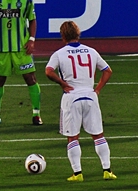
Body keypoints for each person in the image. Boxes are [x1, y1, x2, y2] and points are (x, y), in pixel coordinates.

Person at [45, 21, 116, 182]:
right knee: (98, 135)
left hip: (71, 97)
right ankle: (107, 170)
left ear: (63, 36)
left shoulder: (59, 54)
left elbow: (48, 71)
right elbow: (107, 71)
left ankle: (77, 174)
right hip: (90, 96)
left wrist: (62, 83)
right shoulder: (91, 51)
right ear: (78, 34)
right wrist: (97, 89)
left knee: (72, 137)